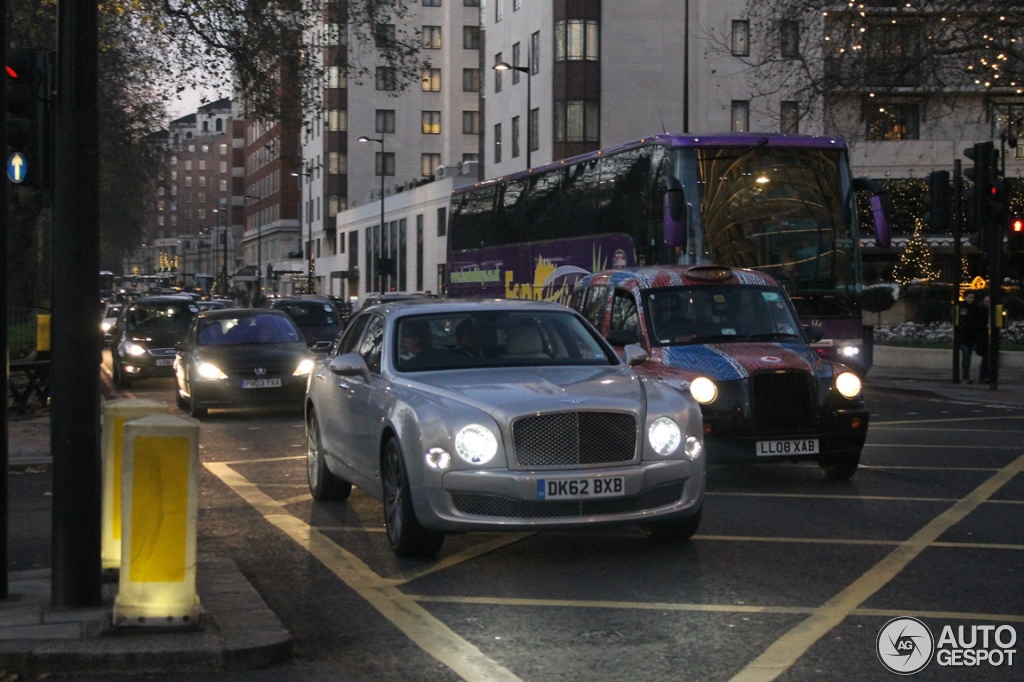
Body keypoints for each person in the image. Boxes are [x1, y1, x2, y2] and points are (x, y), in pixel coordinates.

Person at [956, 291, 985, 383]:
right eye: (969, 297)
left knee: (968, 355)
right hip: (963, 336)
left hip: (971, 336)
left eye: (973, 298)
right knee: (966, 355)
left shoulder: (976, 308)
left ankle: (966, 375)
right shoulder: (961, 307)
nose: (971, 299)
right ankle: (965, 375)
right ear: (965, 297)